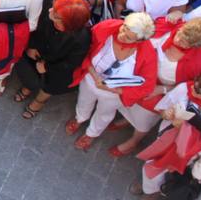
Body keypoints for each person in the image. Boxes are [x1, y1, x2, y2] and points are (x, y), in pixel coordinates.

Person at [67, 12, 158, 151]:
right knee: (84, 100)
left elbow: (146, 86)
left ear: (140, 41)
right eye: (123, 28)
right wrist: (93, 74)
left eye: (128, 38)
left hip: (114, 93)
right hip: (91, 77)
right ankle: (80, 117)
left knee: (105, 113)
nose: (121, 36)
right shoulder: (107, 27)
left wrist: (114, 90)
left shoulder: (148, 55)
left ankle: (92, 133)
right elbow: (85, 49)